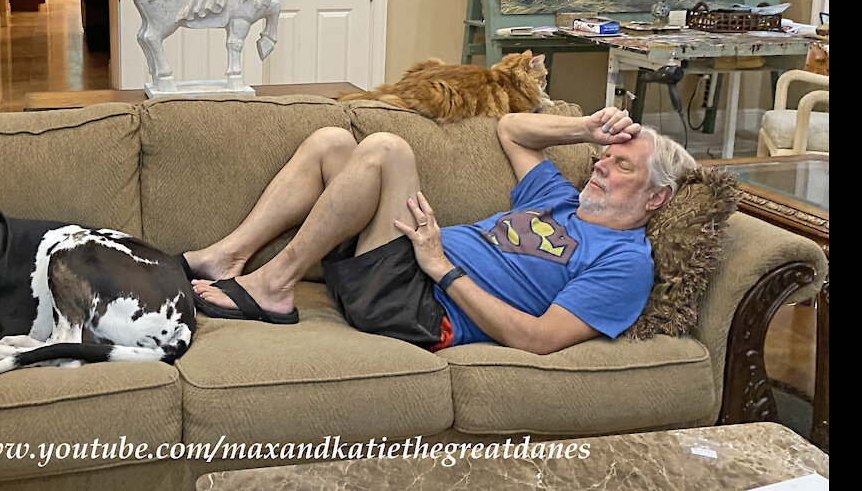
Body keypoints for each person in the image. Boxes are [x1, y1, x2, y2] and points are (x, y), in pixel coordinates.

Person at [186, 107, 696, 354]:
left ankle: (275, 285)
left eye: (622, 167)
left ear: (657, 197)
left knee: (388, 149)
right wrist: (585, 128)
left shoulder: (625, 261)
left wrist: (443, 270)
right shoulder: (557, 198)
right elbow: (510, 130)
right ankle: (228, 255)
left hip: (422, 307)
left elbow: (540, 339)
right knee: (331, 142)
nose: (602, 166)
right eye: (605, 156)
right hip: (402, 269)